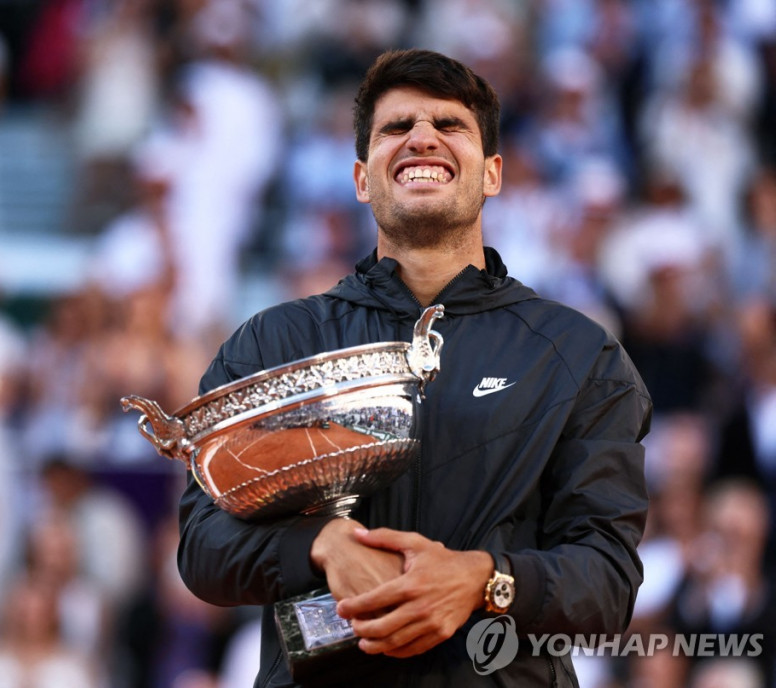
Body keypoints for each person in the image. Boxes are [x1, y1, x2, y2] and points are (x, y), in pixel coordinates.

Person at [176, 48, 651, 687]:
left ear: (492, 173)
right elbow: (202, 546)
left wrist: (486, 580)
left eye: (450, 125)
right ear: (360, 178)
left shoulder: (576, 353)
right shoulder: (274, 341)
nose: (422, 137)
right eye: (396, 128)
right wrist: (319, 546)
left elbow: (609, 584)